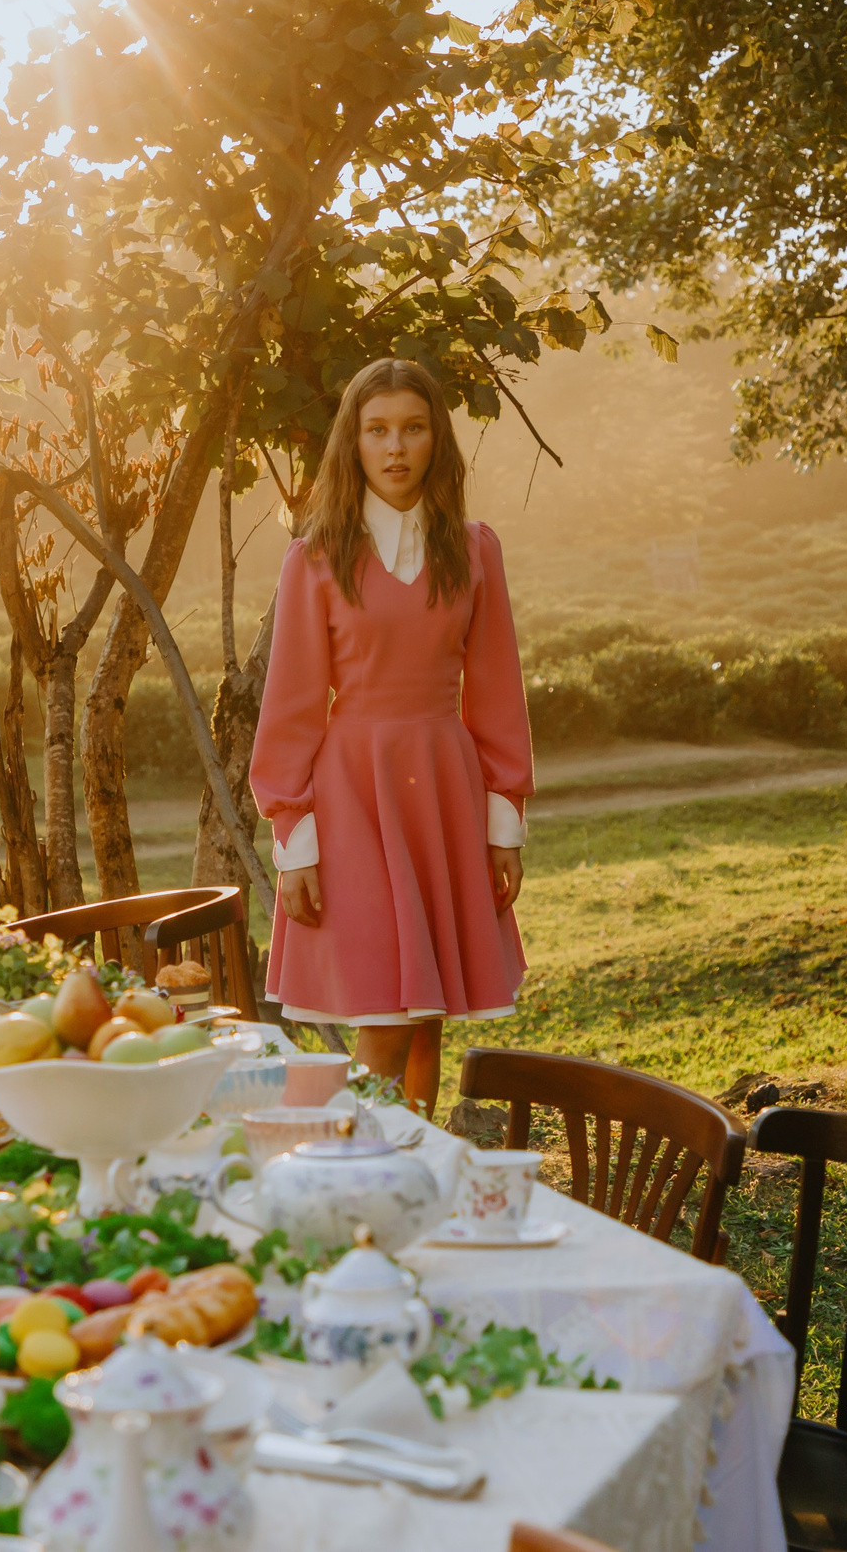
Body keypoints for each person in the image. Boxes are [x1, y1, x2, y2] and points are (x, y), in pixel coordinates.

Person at [249, 357, 533, 1120]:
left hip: (443, 786)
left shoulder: (474, 549)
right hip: (353, 795)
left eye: (413, 428)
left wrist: (504, 821)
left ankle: (410, 1165)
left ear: (437, 439)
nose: (396, 447)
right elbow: (291, 708)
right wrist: (293, 836)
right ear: (354, 441)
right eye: (377, 430)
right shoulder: (315, 558)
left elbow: (497, 691)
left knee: (426, 1019)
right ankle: (350, 1161)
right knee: (383, 1012)